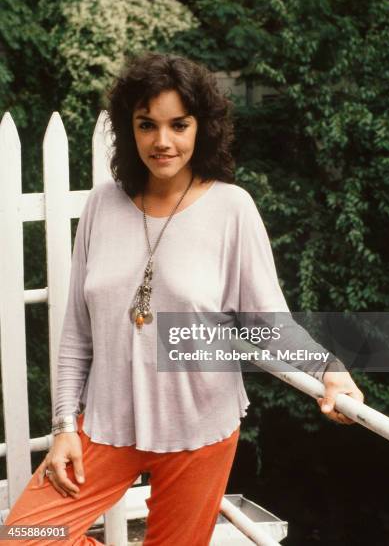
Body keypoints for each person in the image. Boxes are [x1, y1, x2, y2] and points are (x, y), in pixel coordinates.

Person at [4, 52, 364, 545]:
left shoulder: (232, 209)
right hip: (106, 424)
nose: (163, 141)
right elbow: (77, 336)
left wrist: (329, 369)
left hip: (200, 428)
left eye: (179, 124)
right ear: (130, 129)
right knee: (24, 535)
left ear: (202, 128)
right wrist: (66, 425)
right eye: (147, 124)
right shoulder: (101, 205)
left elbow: (267, 323)